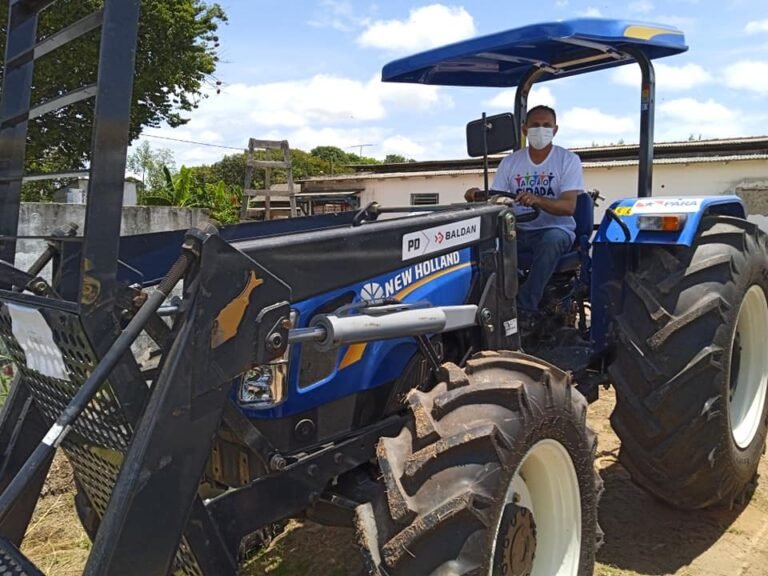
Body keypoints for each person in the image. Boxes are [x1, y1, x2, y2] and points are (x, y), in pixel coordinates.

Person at [466, 105, 584, 327]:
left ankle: (523, 308)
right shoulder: (510, 163)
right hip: (517, 230)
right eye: (535, 125)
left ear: (555, 130)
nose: (541, 130)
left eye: (546, 126)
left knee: (552, 240)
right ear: (524, 129)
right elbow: (497, 200)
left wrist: (538, 200)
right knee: (483, 242)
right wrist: (477, 196)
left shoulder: (567, 160)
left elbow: (569, 206)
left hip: (555, 230)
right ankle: (482, 301)